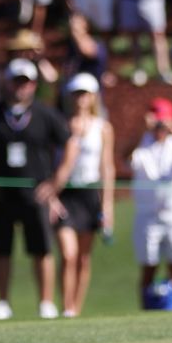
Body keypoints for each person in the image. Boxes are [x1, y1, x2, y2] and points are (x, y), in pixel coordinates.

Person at [0, 59, 75, 321]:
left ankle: (45, 302)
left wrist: (56, 181)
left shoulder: (45, 114)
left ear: (34, 85)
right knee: (1, 250)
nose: (20, 88)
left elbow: (69, 144)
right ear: (8, 82)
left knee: (41, 249)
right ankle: (2, 302)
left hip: (36, 193)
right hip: (2, 193)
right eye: (16, 82)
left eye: (26, 83)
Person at [130, 98, 172, 309]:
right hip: (148, 214)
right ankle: (147, 310)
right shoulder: (142, 141)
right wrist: (141, 131)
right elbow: (124, 156)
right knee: (148, 267)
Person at [56, 74, 114, 318]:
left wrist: (107, 206)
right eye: (77, 93)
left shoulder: (102, 127)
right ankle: (66, 306)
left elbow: (106, 166)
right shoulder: (61, 123)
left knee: (83, 258)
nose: (81, 99)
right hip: (66, 193)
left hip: (89, 194)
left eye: (85, 93)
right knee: (68, 254)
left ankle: (76, 309)